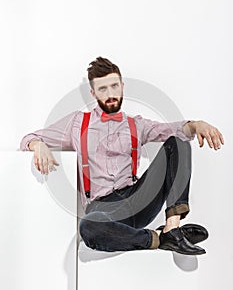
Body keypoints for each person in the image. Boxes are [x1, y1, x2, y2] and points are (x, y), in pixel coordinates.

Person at [20, 57, 224, 255]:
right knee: (89, 227)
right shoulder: (77, 123)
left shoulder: (136, 124)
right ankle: (161, 238)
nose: (110, 94)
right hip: (103, 208)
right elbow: (29, 138)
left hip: (137, 199)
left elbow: (175, 130)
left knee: (178, 143)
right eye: (102, 89)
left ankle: (173, 226)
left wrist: (197, 125)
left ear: (122, 86)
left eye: (114, 86)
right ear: (93, 93)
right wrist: (38, 144)